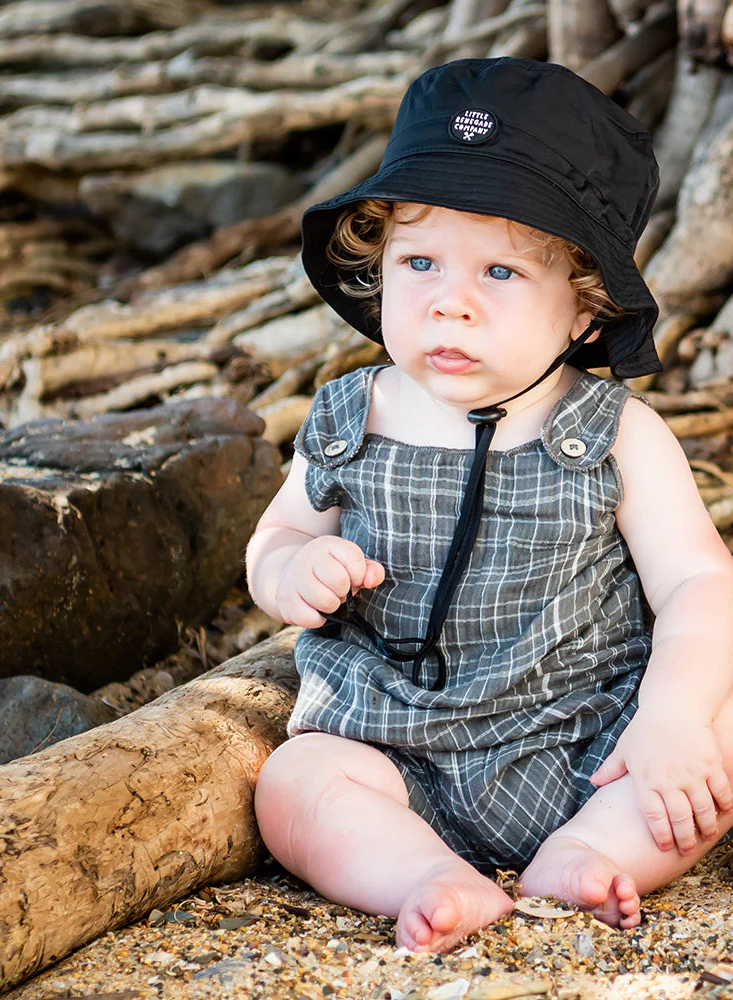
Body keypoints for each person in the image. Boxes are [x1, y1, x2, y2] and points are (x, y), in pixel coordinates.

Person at [245, 57, 733, 954]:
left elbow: (703, 583)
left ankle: (587, 851)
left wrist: (669, 718)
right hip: (396, 749)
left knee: (721, 731)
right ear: (379, 266)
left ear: (585, 310)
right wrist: (290, 570)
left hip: (593, 741)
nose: (450, 305)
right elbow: (276, 536)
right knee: (295, 783)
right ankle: (426, 875)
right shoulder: (353, 414)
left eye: (501, 273)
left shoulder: (615, 432)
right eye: (420, 261)